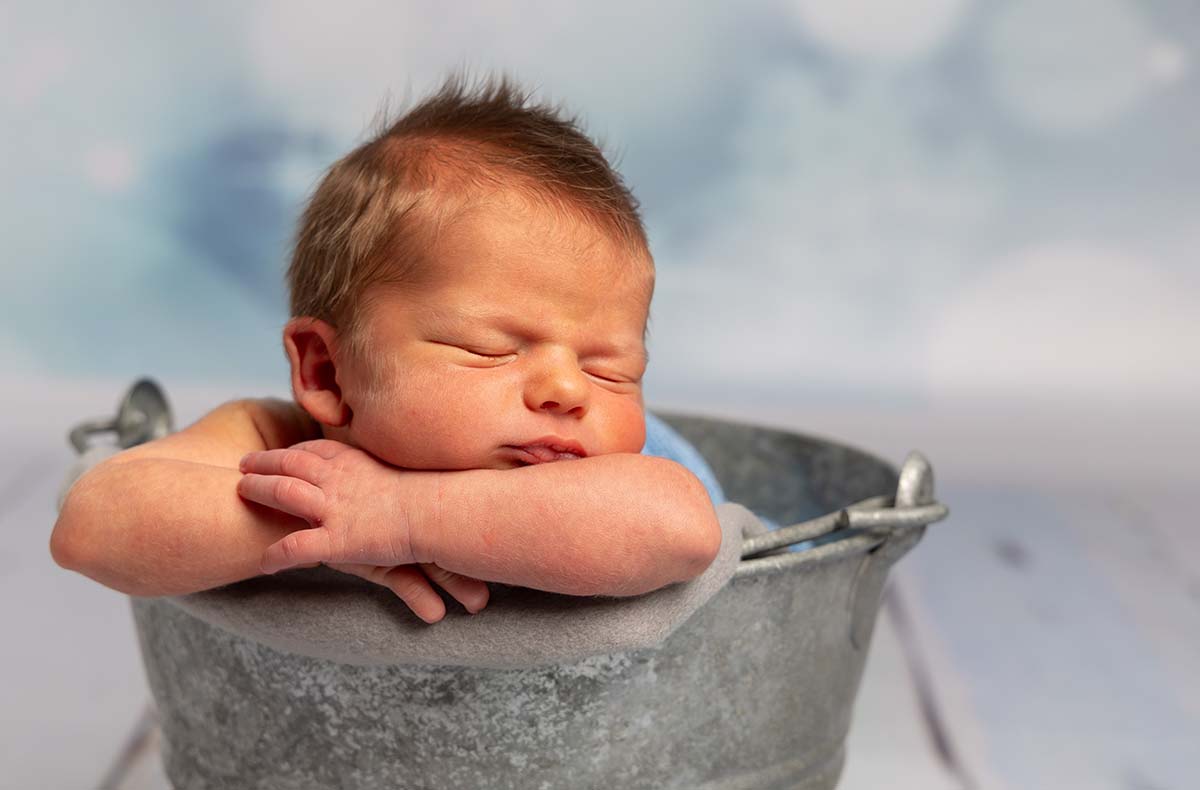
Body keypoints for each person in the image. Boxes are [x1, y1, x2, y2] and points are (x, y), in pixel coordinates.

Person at [50, 75, 723, 624]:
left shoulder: (610, 470)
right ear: (327, 372)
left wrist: (405, 514)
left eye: (611, 370)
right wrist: (339, 521)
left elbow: (683, 530)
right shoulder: (279, 439)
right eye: (490, 349)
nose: (569, 390)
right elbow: (91, 526)